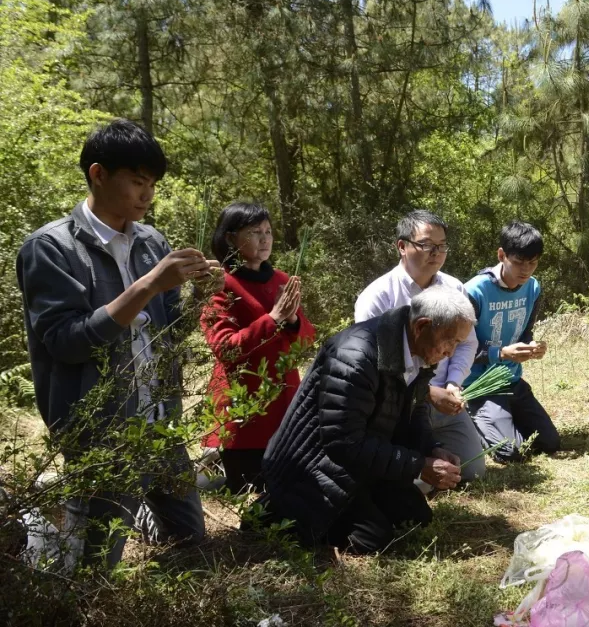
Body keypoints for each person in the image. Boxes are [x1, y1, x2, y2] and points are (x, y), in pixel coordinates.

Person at [16, 118, 223, 568]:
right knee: (93, 565)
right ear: (98, 174)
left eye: (152, 184)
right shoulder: (50, 248)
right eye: (136, 182)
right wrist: (148, 285)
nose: (147, 195)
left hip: (160, 423)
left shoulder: (152, 243)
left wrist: (199, 298)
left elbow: (169, 331)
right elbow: (66, 342)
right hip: (100, 435)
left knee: (191, 545)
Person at [259, 286, 472, 554]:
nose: (451, 352)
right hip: (315, 468)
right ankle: (275, 510)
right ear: (422, 326)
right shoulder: (356, 356)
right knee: (373, 539)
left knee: (416, 518)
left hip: (363, 462)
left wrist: (431, 448)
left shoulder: (420, 349)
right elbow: (342, 442)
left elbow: (415, 410)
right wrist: (418, 465)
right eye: (450, 341)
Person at [353, 210, 486, 482]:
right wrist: (426, 392)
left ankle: (430, 452)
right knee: (407, 477)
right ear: (402, 246)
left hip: (446, 403)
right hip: (398, 407)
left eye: (441, 246)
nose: (435, 252)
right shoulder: (377, 297)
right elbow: (373, 363)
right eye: (426, 244)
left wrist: (453, 383)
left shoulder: (455, 288)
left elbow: (467, 342)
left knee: (471, 470)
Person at [200, 202, 316, 494]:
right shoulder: (220, 283)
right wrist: (273, 318)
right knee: (246, 491)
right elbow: (225, 348)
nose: (265, 239)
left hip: (283, 405)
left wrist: (291, 320)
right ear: (230, 238)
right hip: (243, 413)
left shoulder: (282, 280)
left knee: (288, 491)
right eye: (254, 232)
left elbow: (304, 341)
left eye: (268, 231)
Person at [464, 221, 560, 462]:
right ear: (501, 255)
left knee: (549, 443)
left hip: (511, 379)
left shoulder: (533, 287)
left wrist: (532, 346)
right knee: (510, 453)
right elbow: (458, 348)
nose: (526, 270)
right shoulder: (474, 292)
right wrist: (501, 353)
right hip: (478, 384)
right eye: (518, 262)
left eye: (533, 262)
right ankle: (473, 416)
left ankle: (502, 417)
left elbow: (525, 332)